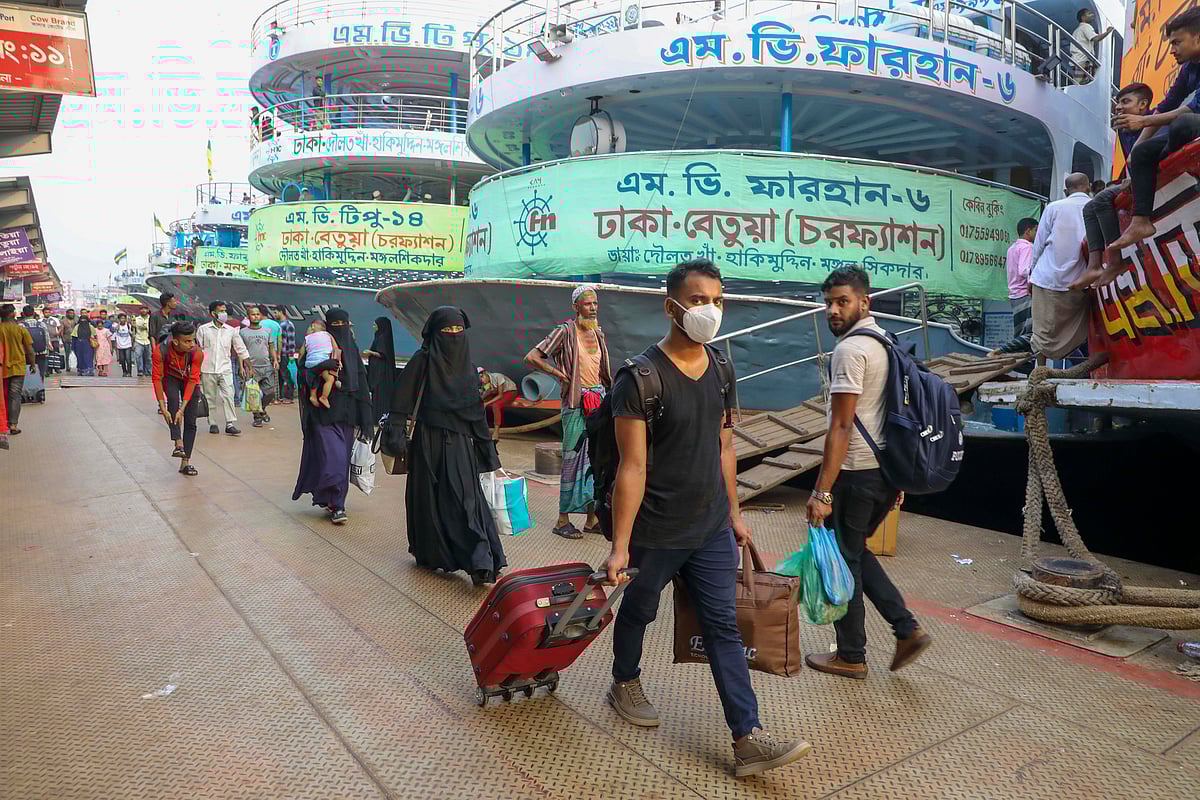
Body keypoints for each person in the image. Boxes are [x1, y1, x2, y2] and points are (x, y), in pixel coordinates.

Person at [601, 260, 810, 778]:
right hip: (656, 528)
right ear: (670, 305)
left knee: (722, 626)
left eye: (717, 300)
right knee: (639, 612)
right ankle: (624, 679)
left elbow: (724, 444)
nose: (709, 311)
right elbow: (632, 465)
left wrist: (735, 514)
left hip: (712, 524)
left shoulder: (721, 367)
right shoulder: (640, 378)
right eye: (697, 300)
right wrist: (621, 546)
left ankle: (747, 738)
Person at [803, 266, 931, 680]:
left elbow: (841, 426)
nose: (834, 311)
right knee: (853, 551)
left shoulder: (849, 351)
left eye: (843, 301)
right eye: (828, 303)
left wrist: (822, 492)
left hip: (856, 473)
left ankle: (852, 654)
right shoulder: (886, 342)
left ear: (865, 302)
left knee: (846, 563)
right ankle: (906, 628)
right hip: (884, 472)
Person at [392, 307, 508, 586]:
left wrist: (487, 450)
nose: (454, 337)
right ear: (435, 333)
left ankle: (481, 560)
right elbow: (401, 400)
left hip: (459, 447)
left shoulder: (467, 367)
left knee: (466, 501)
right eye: (448, 331)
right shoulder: (422, 361)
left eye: (459, 331)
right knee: (429, 502)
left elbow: (476, 413)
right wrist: (395, 434)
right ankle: (433, 554)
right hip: (427, 443)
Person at [525, 285, 612, 539]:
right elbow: (532, 357)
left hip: (599, 400)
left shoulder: (599, 333)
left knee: (596, 461)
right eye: (587, 304)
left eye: (595, 303)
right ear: (576, 307)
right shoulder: (564, 332)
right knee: (573, 460)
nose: (593, 307)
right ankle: (562, 519)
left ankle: (591, 519)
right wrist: (559, 374)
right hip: (575, 403)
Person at [1109, 9, 1200, 252]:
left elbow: (1192, 108)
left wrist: (1143, 123)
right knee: (1142, 154)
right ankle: (1141, 221)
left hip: (1192, 125)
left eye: (1177, 43)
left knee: (1183, 123)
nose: (1172, 50)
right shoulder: (1189, 69)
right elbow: (1165, 107)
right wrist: (1134, 154)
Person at [292, 308, 374, 525]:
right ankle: (333, 500)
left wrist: (366, 418)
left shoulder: (351, 349)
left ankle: (337, 503)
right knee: (333, 459)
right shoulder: (316, 345)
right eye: (335, 325)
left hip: (346, 414)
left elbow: (362, 385)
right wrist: (321, 366)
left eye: (342, 324)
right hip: (322, 412)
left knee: (341, 461)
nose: (340, 329)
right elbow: (302, 374)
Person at [1072, 83, 1155, 290]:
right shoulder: (1123, 131)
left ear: (1143, 106)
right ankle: (1095, 265)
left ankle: (1115, 260)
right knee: (1088, 207)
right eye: (1118, 103)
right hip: (1135, 179)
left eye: (1125, 102)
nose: (1118, 107)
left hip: (1152, 176)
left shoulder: (1154, 121)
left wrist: (1133, 177)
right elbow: (1130, 161)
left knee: (1100, 199)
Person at [1028, 173, 1092, 361]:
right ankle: (1084, 368)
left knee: (1041, 331)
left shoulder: (1053, 208)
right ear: (1088, 187)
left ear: (1066, 191)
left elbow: (1038, 245)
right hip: (1081, 280)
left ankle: (1040, 370)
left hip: (1046, 278)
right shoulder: (1096, 206)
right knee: (1083, 329)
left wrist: (1031, 276)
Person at [153, 321, 205, 476]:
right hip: (171, 378)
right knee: (172, 406)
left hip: (189, 381)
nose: (192, 344)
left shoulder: (197, 353)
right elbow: (157, 378)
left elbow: (193, 380)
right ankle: (178, 443)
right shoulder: (160, 351)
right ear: (175, 341)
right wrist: (162, 406)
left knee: (190, 422)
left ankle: (185, 462)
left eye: (193, 340)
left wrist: (183, 409)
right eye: (187, 341)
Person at [196, 300, 251, 436]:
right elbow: (198, 350)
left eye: (225, 311)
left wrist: (250, 366)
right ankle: (213, 423)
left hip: (225, 368)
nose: (224, 314)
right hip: (207, 368)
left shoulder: (231, 331)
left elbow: (241, 348)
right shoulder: (203, 330)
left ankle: (230, 423)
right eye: (221, 311)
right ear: (213, 313)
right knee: (210, 397)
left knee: (229, 395)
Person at [239, 305, 278, 428]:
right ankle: (257, 417)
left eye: (257, 314)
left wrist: (275, 360)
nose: (256, 316)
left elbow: (271, 346)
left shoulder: (267, 331)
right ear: (248, 316)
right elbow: (241, 351)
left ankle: (262, 409)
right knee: (253, 393)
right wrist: (242, 367)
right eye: (253, 314)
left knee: (270, 392)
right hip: (251, 367)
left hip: (266, 365)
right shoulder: (243, 332)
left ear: (261, 316)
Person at [0, 304, 34, 436]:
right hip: (18, 366)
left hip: (2, 367)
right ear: (12, 314)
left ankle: (2, 423)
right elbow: (30, 350)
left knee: (3, 396)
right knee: (15, 396)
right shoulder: (20, 330)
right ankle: (13, 425)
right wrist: (32, 364)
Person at [1005, 218, 1038, 337]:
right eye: (1036, 230)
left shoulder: (1012, 248)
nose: (1037, 234)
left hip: (1014, 294)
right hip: (1025, 294)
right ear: (1028, 231)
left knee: (1020, 331)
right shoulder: (1027, 247)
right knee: (1028, 333)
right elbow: (1024, 270)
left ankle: (1017, 354)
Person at [362, 316, 397, 424]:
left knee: (380, 394)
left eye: (375, 325)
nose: (373, 327)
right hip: (381, 370)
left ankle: (378, 417)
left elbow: (382, 354)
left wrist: (370, 353)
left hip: (381, 372)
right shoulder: (383, 337)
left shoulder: (382, 338)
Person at [300, 319, 341, 408]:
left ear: (313, 326)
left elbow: (301, 352)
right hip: (323, 362)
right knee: (329, 379)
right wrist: (339, 361)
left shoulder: (307, 337)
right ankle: (324, 397)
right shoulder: (328, 335)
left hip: (310, 364)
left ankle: (313, 396)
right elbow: (336, 348)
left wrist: (299, 362)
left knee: (314, 377)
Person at [1071, 8, 1113, 80]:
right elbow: (1096, 38)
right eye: (1089, 13)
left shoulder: (1076, 31)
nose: (1092, 15)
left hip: (1076, 61)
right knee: (1083, 85)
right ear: (1083, 17)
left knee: (1078, 85)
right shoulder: (1085, 26)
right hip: (1083, 61)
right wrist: (1108, 32)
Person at [273, 307, 296, 403]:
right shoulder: (280, 325)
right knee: (281, 375)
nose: (274, 314)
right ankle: (282, 396)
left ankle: (289, 396)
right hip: (280, 353)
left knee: (286, 375)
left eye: (275, 312)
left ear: (281, 312)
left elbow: (291, 340)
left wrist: (291, 355)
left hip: (285, 354)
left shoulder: (287, 325)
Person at [19, 306, 48, 379]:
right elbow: (47, 339)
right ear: (34, 313)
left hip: (26, 353)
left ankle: (30, 389)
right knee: (40, 373)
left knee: (29, 375)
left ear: (23, 314)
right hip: (41, 352)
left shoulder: (20, 326)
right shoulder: (41, 324)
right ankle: (40, 388)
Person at [113, 313, 135, 377]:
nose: (123, 319)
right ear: (119, 319)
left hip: (128, 345)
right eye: (121, 318)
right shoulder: (117, 326)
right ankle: (124, 371)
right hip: (120, 346)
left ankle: (129, 372)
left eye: (124, 318)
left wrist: (133, 344)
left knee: (128, 359)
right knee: (122, 360)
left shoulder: (128, 325)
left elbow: (132, 334)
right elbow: (115, 332)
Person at [133, 306, 152, 376]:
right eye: (141, 309)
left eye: (145, 309)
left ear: (147, 310)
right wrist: (133, 326)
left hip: (148, 340)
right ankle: (140, 370)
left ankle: (148, 371)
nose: (143, 310)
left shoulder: (151, 319)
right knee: (138, 356)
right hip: (138, 340)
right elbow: (132, 331)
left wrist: (146, 328)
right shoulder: (136, 319)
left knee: (148, 357)